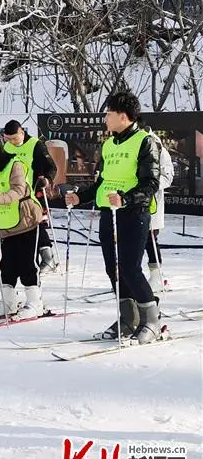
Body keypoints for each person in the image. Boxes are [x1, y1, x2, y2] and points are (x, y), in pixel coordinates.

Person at [64, 91, 161, 344]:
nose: (105, 117)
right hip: (109, 213)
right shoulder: (109, 144)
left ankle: (151, 320)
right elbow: (102, 183)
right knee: (113, 269)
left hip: (133, 213)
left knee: (130, 267)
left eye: (108, 113)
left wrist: (127, 198)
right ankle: (128, 319)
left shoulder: (145, 141)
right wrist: (80, 197)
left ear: (123, 115)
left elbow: (151, 182)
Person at [0, 133, 45, 319]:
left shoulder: (14, 165)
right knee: (7, 265)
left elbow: (19, 190)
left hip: (25, 219)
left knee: (27, 263)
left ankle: (35, 303)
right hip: (5, 224)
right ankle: (8, 302)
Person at [2, 119, 58, 272]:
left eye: (14, 138)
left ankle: (47, 257)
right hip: (14, 194)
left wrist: (46, 179)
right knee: (20, 227)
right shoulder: (6, 146)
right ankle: (23, 259)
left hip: (33, 192)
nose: (12, 142)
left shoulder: (35, 144)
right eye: (8, 139)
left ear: (22, 132)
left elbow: (51, 167)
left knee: (37, 223)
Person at [141, 123, 173, 292]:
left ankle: (156, 275)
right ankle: (130, 276)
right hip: (129, 201)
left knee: (149, 237)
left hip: (150, 202)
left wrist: (149, 187)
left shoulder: (156, 145)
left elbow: (168, 176)